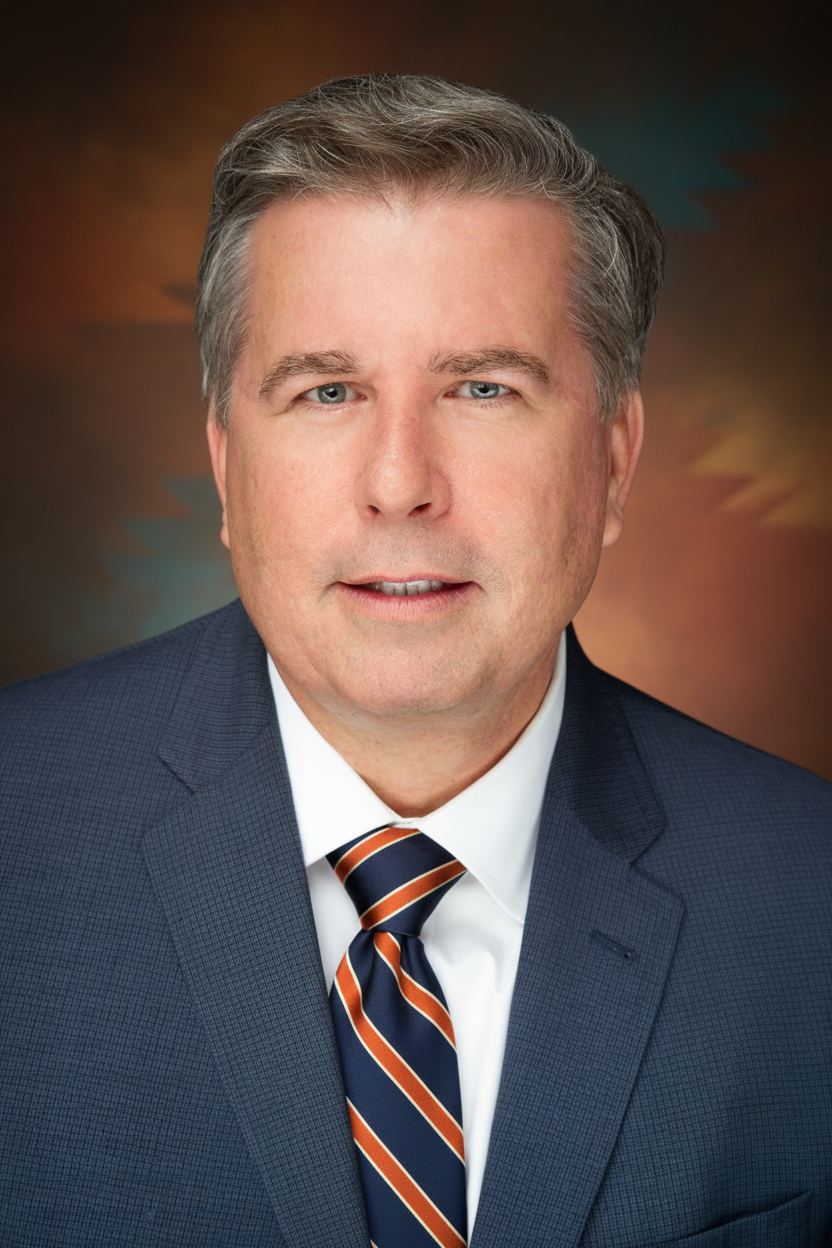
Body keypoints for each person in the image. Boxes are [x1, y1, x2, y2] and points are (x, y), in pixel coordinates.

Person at [1, 74, 829, 1248]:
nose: (400, 484)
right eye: (327, 390)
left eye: (484, 389)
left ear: (614, 458)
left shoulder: (810, 904)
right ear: (227, 465)